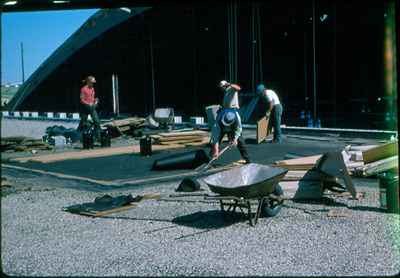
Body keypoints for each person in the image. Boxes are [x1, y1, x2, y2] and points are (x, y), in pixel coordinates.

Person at [78, 75, 101, 141]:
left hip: (92, 108)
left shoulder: (93, 89)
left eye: (94, 83)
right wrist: (88, 104)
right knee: (84, 123)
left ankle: (98, 137)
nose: (93, 84)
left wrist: (95, 100)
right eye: (92, 82)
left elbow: (92, 97)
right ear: (88, 82)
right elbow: (82, 100)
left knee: (97, 122)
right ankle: (82, 137)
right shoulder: (83, 89)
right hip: (85, 108)